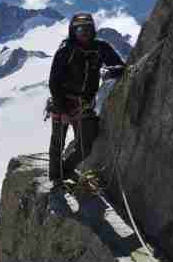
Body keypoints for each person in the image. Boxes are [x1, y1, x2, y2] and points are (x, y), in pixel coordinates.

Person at [48, 13, 125, 182]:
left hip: (84, 104)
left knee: (86, 144)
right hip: (62, 101)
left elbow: (120, 66)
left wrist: (110, 71)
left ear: (93, 30)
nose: (84, 33)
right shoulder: (65, 50)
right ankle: (55, 177)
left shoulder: (100, 48)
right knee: (57, 144)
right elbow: (54, 82)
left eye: (87, 29)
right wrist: (62, 110)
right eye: (80, 30)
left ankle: (65, 170)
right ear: (73, 31)